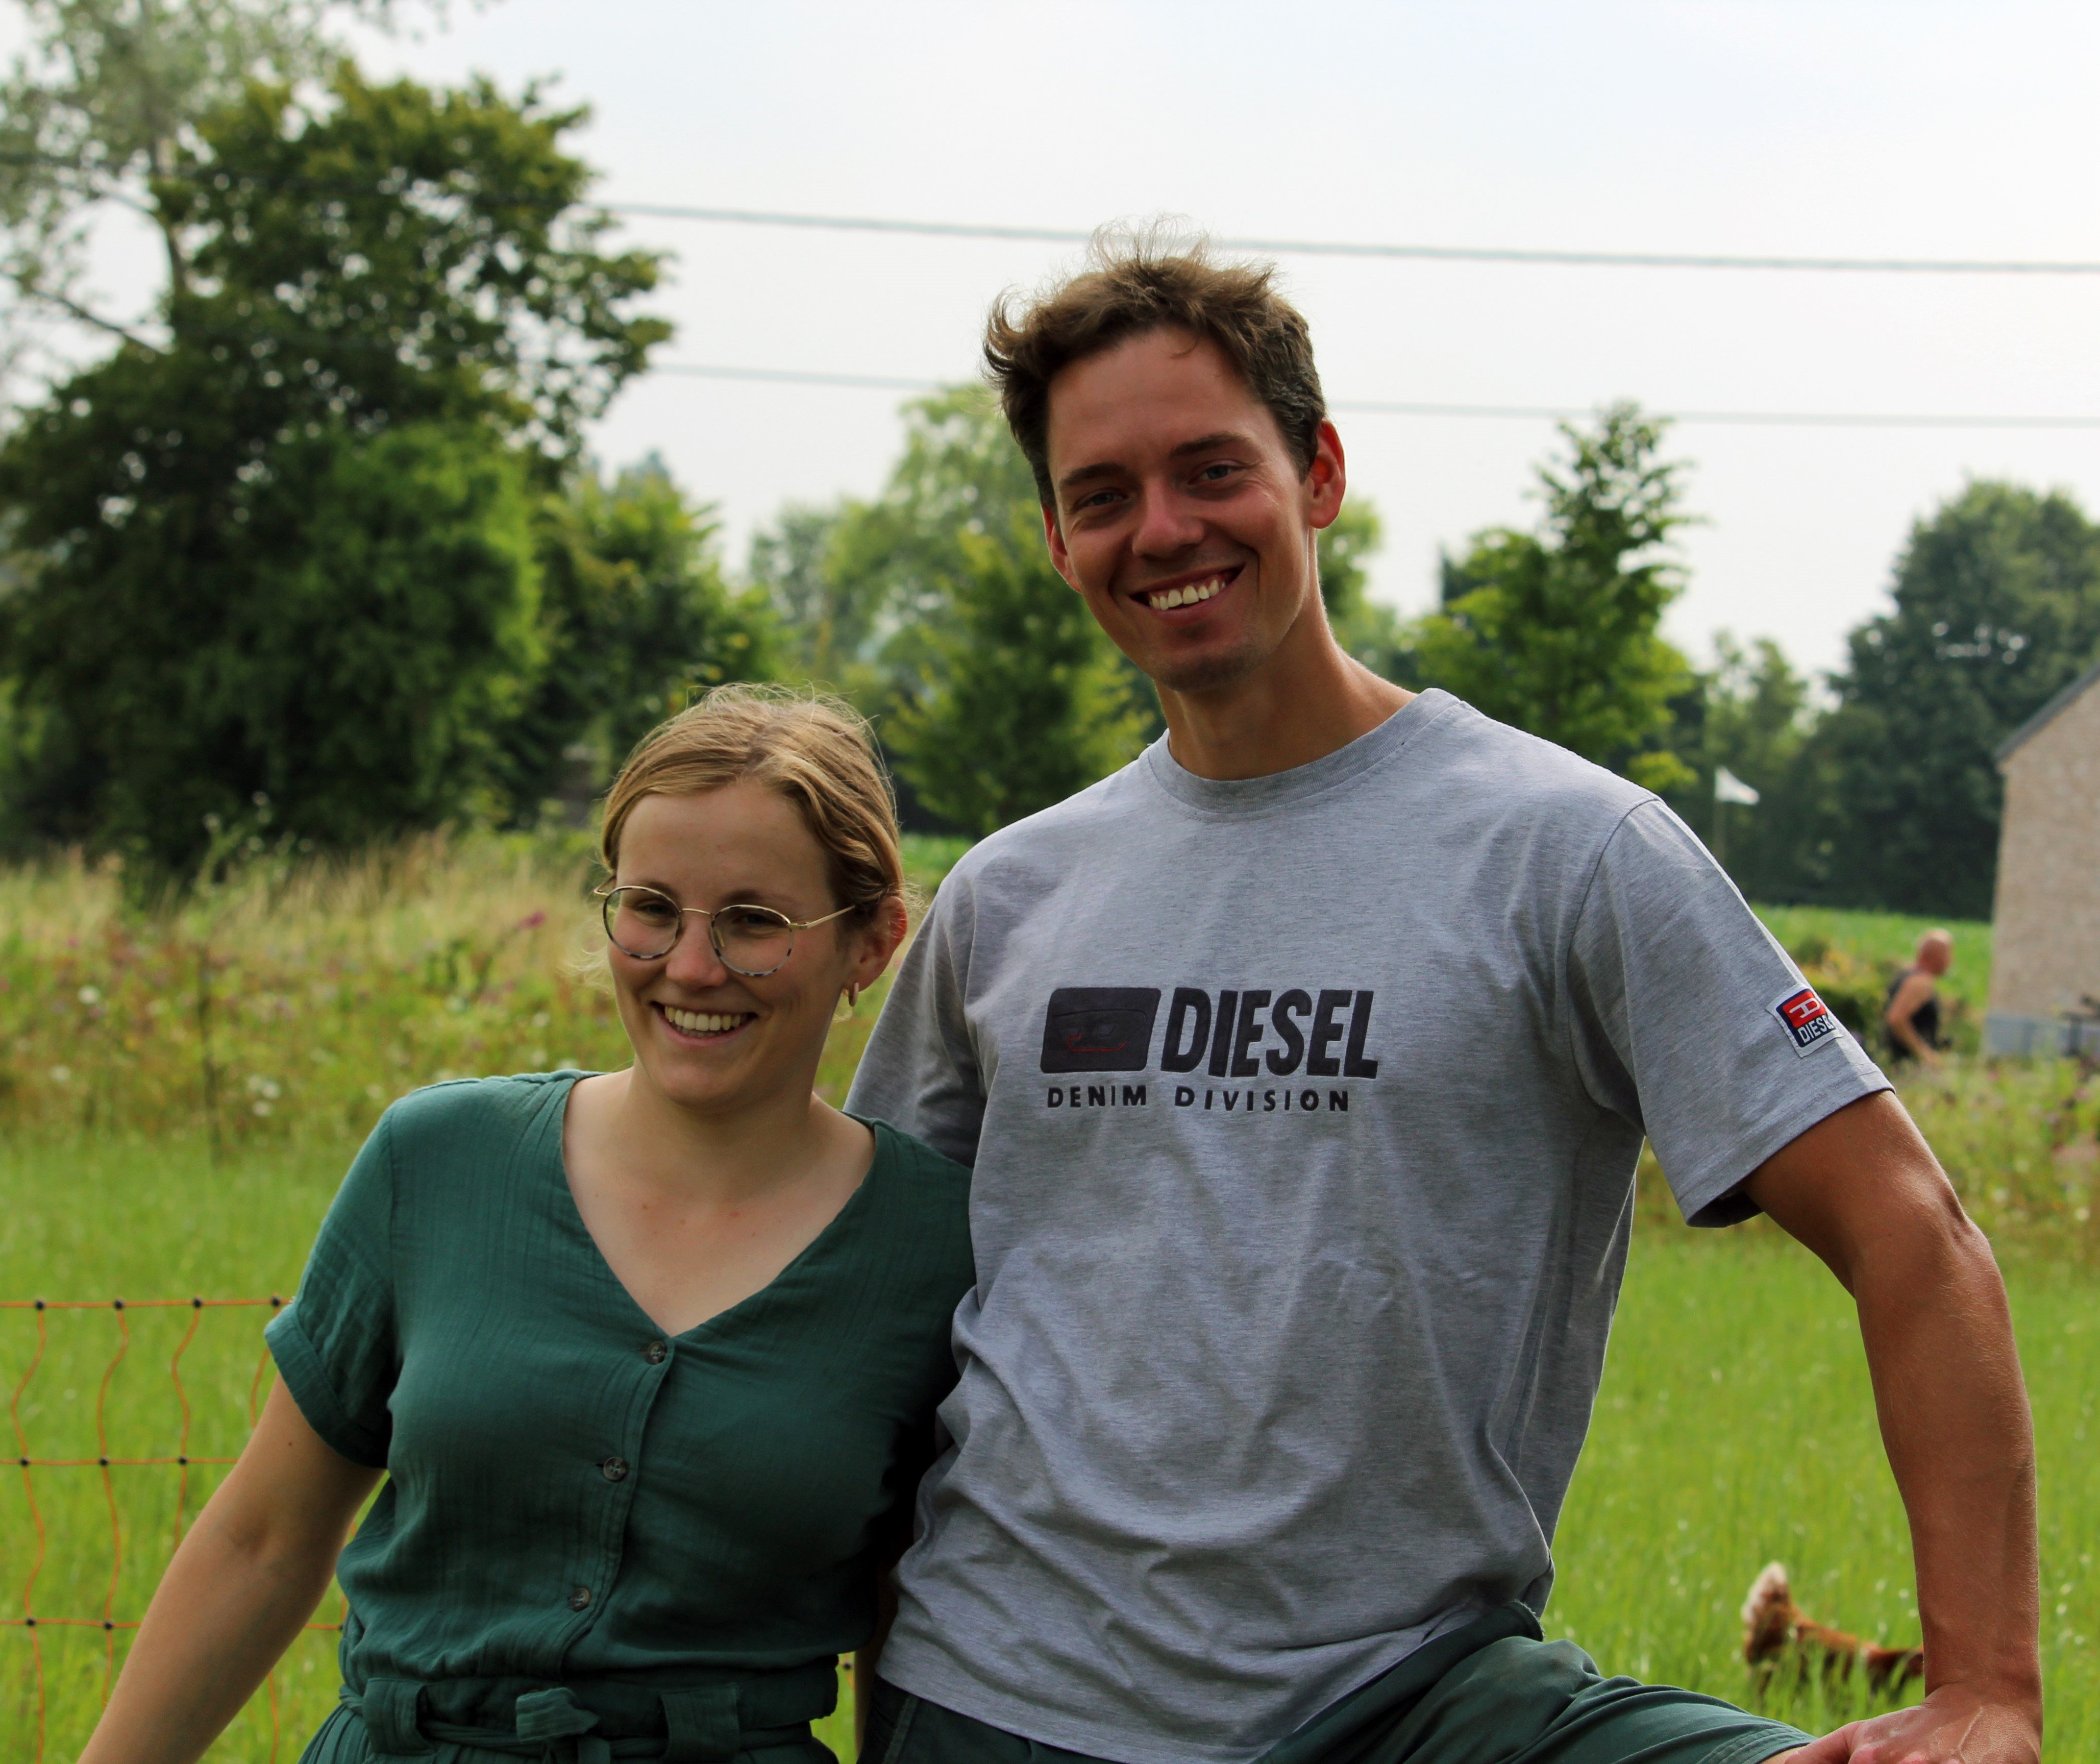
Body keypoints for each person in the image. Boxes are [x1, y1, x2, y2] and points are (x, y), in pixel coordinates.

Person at [846, 236, 2039, 1764]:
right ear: (1057, 539)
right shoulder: (1010, 900)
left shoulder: (1568, 853)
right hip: (997, 1707)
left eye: (1213, 469)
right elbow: (867, 1320)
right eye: (1103, 494)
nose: (1163, 529)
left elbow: (1912, 1235)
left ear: (1320, 472)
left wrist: (1990, 1689)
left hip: (1407, 1704)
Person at [79, 687, 974, 1764]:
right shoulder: (438, 1162)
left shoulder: (932, 1245)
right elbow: (264, 1538)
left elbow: (907, 1621)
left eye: (753, 922)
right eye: (650, 908)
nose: (690, 967)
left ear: (871, 943)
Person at [1884, 929, 1953, 1066]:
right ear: (1938, 956)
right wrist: (1925, 1055)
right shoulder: (1920, 982)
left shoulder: (1907, 974)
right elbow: (1896, 1019)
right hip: (1906, 1064)